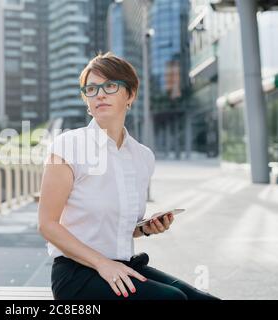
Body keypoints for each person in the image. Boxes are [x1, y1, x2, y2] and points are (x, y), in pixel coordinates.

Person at [37, 52, 220, 300]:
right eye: (91, 89)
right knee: (172, 299)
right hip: (77, 274)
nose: (100, 94)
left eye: (110, 86)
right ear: (86, 100)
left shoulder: (142, 156)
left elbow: (117, 227)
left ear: (130, 95)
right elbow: (47, 224)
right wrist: (103, 264)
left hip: (123, 265)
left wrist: (145, 229)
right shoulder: (67, 147)